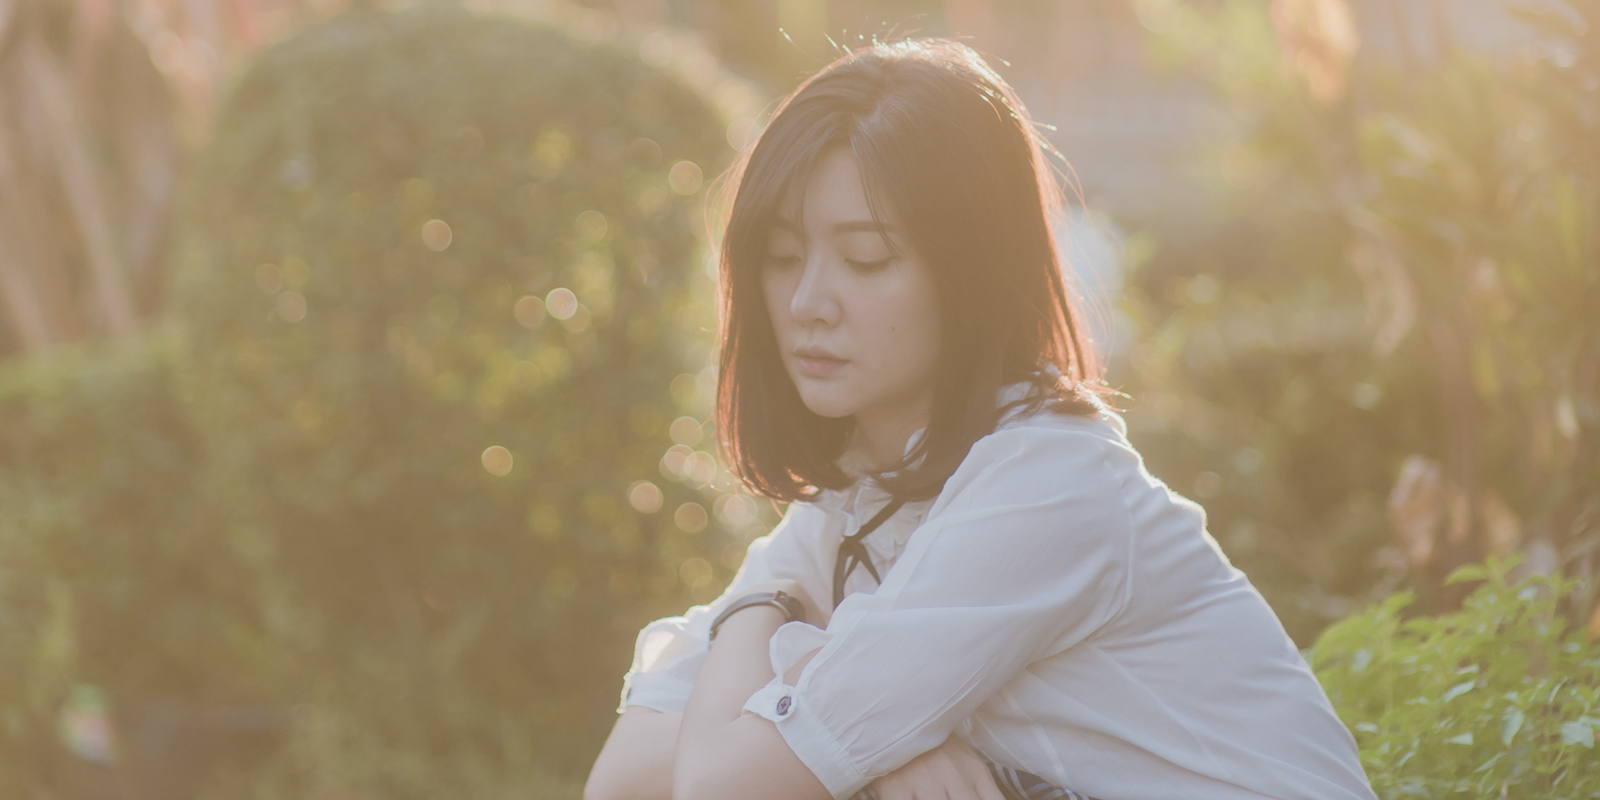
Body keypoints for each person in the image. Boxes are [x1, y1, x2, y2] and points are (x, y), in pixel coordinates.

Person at [583, 38, 1376, 800]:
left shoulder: (1049, 489)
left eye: (865, 260)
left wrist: (775, 636)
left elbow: (722, 785)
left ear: (969, 277)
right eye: (784, 257)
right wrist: (859, 720)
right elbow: (622, 784)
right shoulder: (857, 500)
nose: (806, 303)